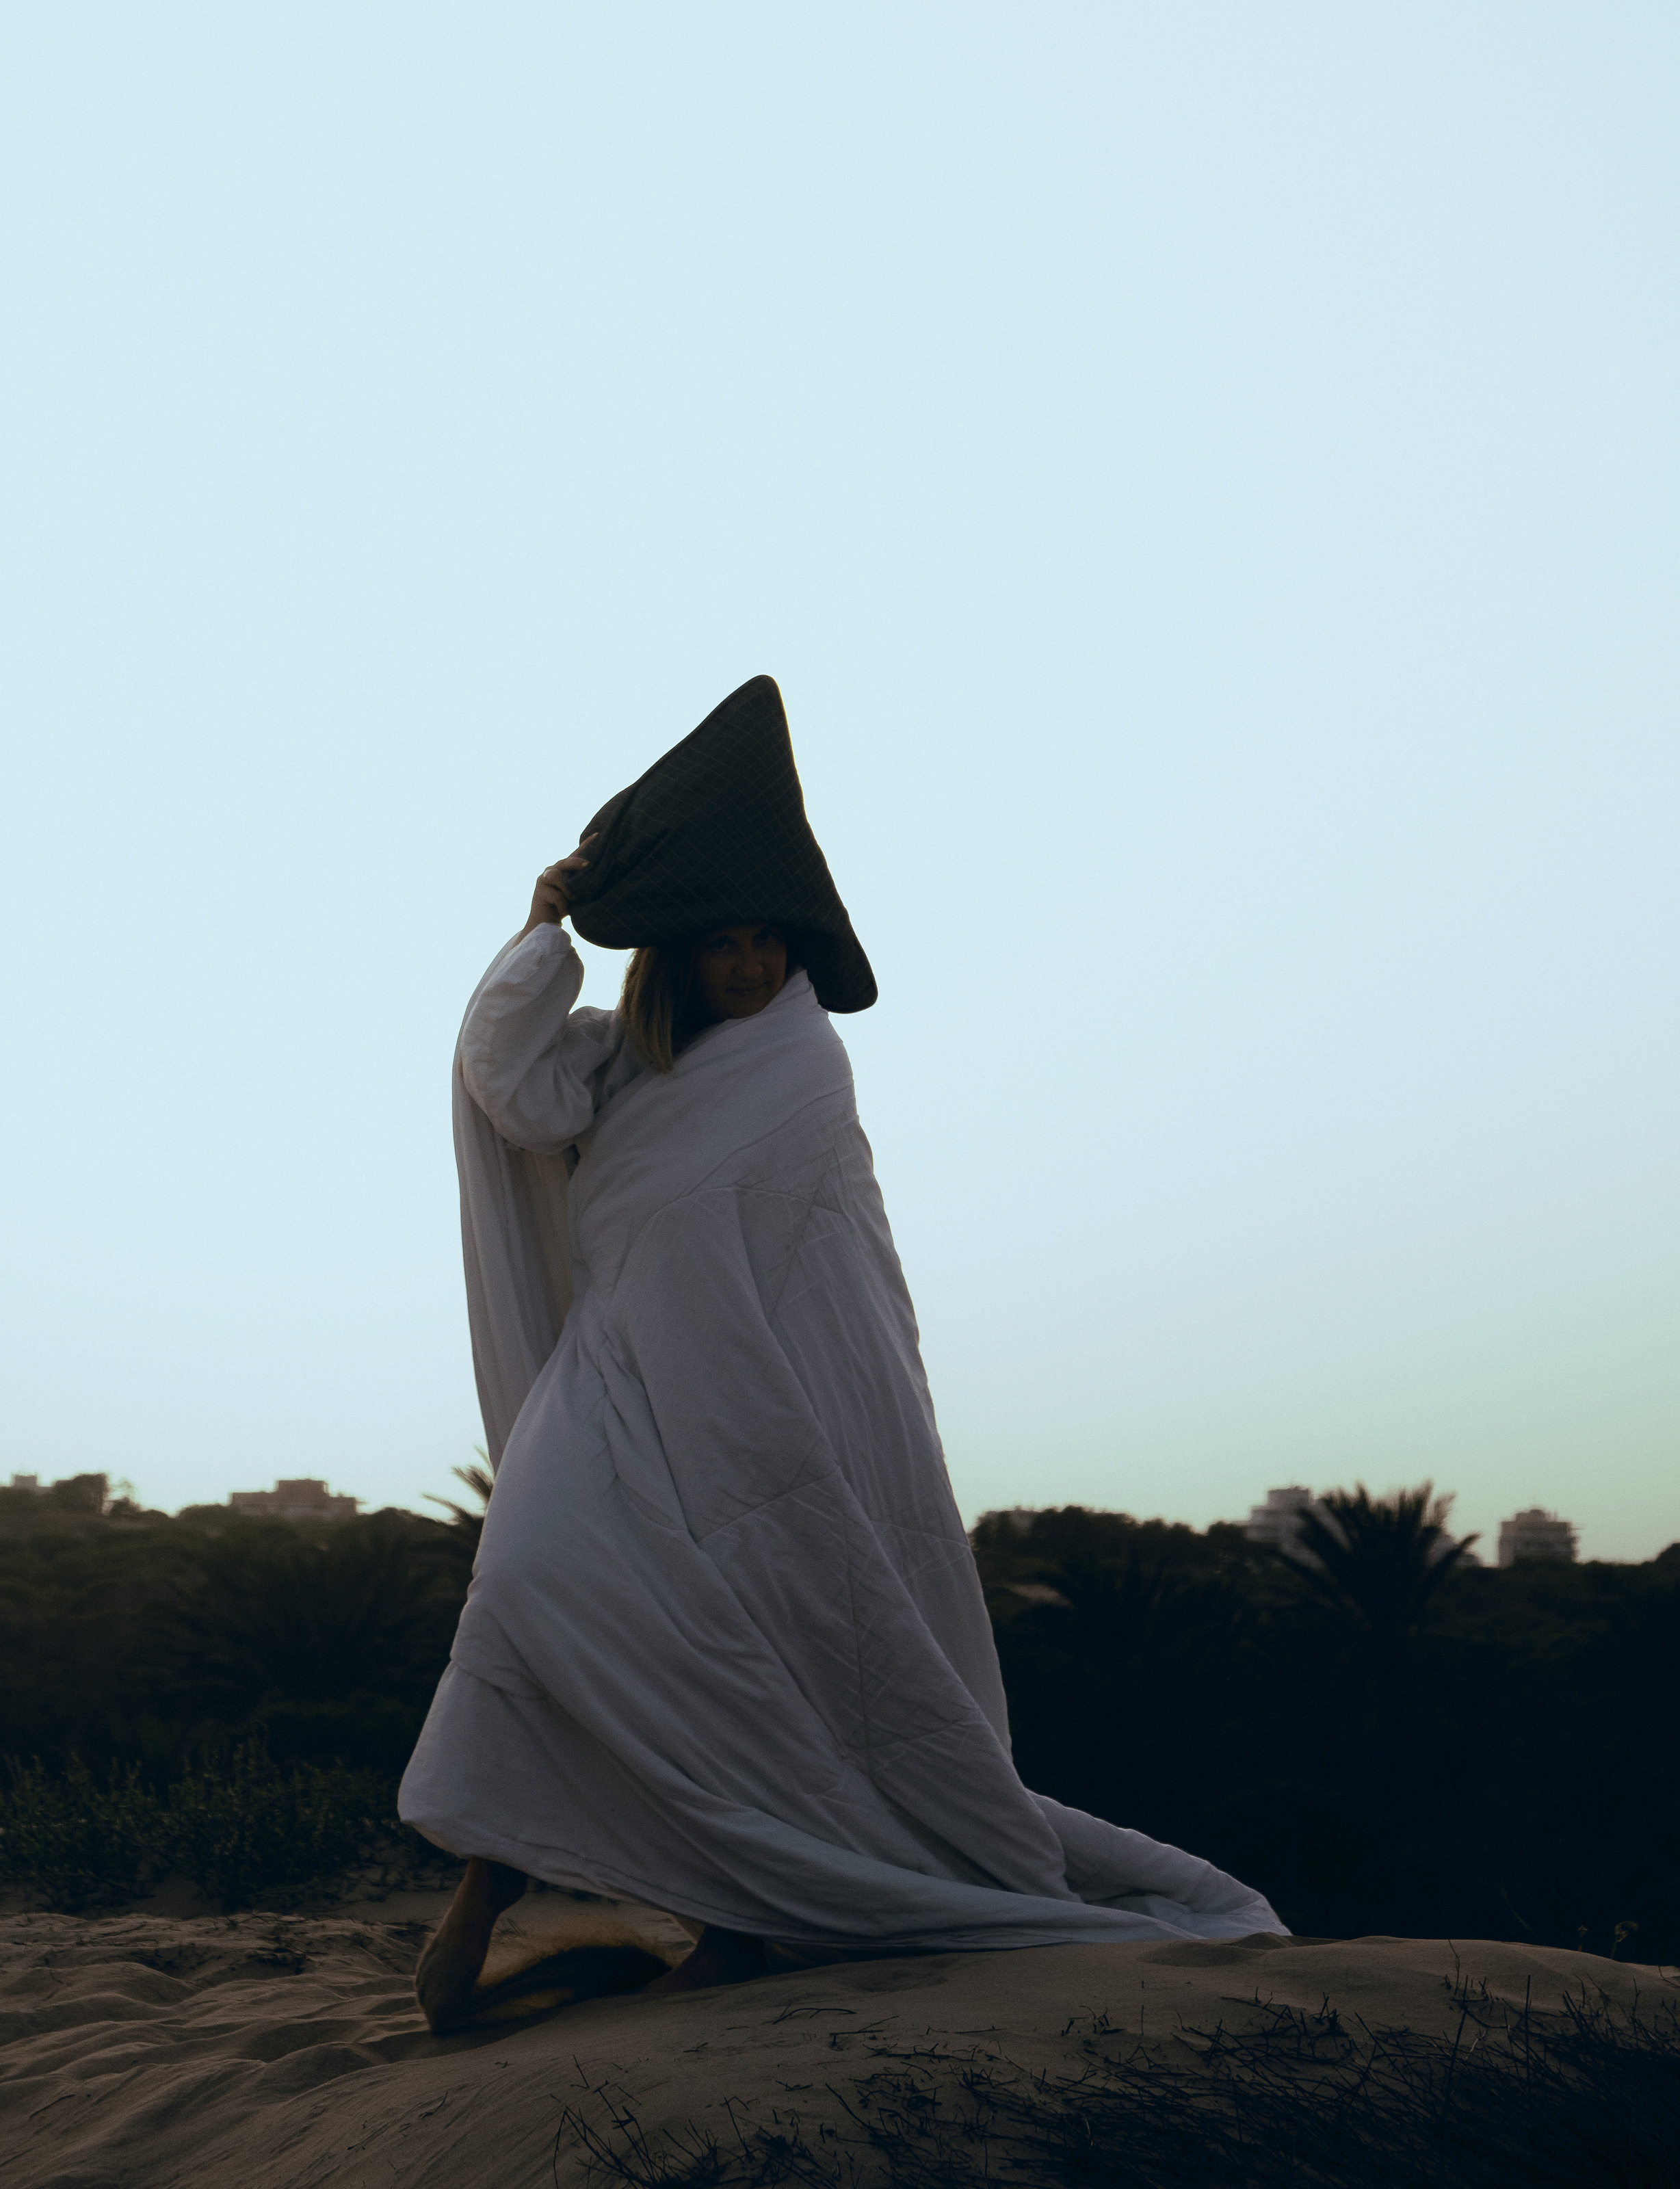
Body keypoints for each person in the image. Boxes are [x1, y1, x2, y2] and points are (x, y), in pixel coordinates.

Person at [400, 677, 1282, 2032]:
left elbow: (828, 1286)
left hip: (750, 1409)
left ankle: (742, 1918)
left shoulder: (802, 1063)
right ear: (679, 951)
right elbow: (505, 1083)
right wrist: (540, 924)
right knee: (526, 1579)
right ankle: (482, 1891)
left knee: (750, 1665)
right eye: (724, 942)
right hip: (607, 1385)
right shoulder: (618, 1064)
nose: (750, 965)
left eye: (769, 940)